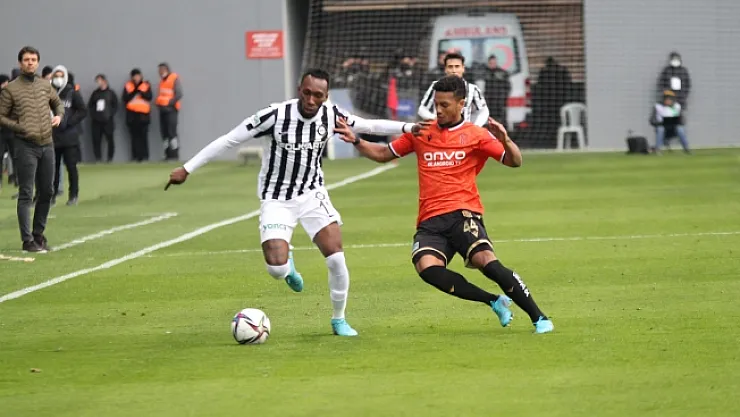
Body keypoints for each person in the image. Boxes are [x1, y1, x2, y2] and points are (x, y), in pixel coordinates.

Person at [166, 68, 427, 336]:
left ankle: (339, 319)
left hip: (312, 194)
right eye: (307, 93)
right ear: (299, 90)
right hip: (277, 198)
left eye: (318, 95)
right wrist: (187, 168)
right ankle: (287, 265)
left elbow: (368, 126)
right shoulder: (274, 115)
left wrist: (408, 127)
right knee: (276, 269)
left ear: (326, 96)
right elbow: (229, 139)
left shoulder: (331, 114)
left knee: (336, 258)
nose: (311, 100)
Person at [338, 75, 554, 334]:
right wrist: (356, 140)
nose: (438, 110)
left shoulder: (476, 135)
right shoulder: (421, 132)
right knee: (427, 268)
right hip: (430, 220)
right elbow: (384, 154)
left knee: (486, 262)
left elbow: (514, 161)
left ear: (461, 104)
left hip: (463, 213)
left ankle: (539, 317)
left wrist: (505, 140)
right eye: (436, 104)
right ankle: (493, 301)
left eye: (444, 105)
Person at [0, 46, 64, 252]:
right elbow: (1, 116)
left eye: (33, 59)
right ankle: (27, 240)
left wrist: (59, 115)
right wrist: (19, 127)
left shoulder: (45, 85)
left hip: (47, 143)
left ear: (38, 62)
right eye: (26, 59)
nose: (30, 63)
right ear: (20, 63)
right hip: (25, 145)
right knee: (26, 193)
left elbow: (58, 103)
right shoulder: (11, 89)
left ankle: (38, 234)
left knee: (47, 191)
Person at [418, 52, 489, 127]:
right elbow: (422, 109)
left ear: (463, 68)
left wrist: (476, 127)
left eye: (457, 66)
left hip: (463, 132)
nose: (454, 70)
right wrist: (435, 118)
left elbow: (484, 111)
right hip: (440, 130)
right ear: (445, 69)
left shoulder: (472, 89)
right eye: (450, 67)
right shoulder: (436, 86)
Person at [51, 65, 87, 205]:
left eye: (61, 76)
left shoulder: (72, 93)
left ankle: (73, 195)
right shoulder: (48, 93)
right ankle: (52, 195)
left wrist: (70, 122)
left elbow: (82, 110)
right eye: (56, 76)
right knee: (53, 168)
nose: (58, 79)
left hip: (69, 137)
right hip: (53, 136)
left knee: (71, 167)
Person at [122, 68, 153, 162]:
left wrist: (141, 92)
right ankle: (136, 157)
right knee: (134, 137)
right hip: (132, 116)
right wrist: (135, 90)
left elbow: (149, 97)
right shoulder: (128, 86)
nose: (136, 78)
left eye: (138, 76)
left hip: (143, 116)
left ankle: (145, 157)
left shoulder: (146, 85)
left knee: (144, 137)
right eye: (134, 76)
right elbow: (125, 98)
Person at [88, 74, 118, 162]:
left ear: (104, 81)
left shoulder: (111, 93)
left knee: (110, 140)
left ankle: (110, 158)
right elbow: (90, 105)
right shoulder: (95, 93)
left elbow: (115, 105)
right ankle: (98, 158)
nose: (98, 82)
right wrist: (94, 115)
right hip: (96, 121)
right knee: (96, 140)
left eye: (99, 80)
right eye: (97, 81)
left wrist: (110, 114)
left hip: (108, 121)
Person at [155, 63, 182, 160]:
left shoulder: (174, 79)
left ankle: (174, 154)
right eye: (159, 70)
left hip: (171, 110)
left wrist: (169, 103)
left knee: (172, 132)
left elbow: (179, 94)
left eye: (161, 70)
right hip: (162, 110)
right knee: (164, 133)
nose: (159, 72)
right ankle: (167, 154)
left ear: (166, 69)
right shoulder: (162, 81)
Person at [650, 90, 689, 154]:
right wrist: (660, 123)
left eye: (670, 99)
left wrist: (679, 122)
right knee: (660, 129)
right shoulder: (657, 106)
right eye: (666, 98)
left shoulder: (677, 107)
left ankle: (686, 149)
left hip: (673, 128)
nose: (668, 100)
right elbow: (652, 120)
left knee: (680, 129)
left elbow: (683, 120)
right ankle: (658, 150)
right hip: (662, 127)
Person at [483, 55, 511, 128]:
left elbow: (508, 87)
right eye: (491, 63)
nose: (492, 65)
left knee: (502, 121)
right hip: (489, 103)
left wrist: (503, 98)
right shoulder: (485, 73)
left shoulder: (502, 73)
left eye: (494, 63)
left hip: (500, 103)